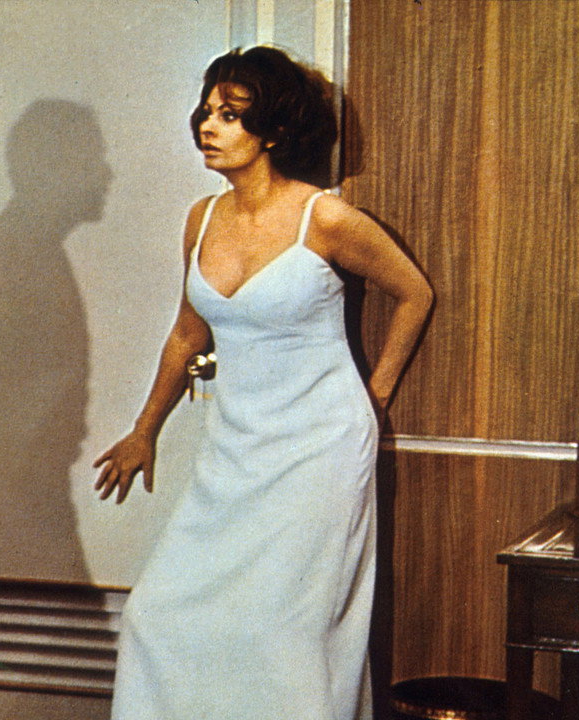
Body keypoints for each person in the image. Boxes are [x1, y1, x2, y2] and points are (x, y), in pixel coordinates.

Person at [93, 46, 433, 720]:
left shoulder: (323, 218)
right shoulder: (202, 218)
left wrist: (376, 397)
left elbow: (414, 293)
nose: (207, 126)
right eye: (206, 112)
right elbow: (188, 333)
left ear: (273, 131)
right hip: (233, 453)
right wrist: (143, 430)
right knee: (155, 617)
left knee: (286, 638)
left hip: (319, 453)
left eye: (229, 115)